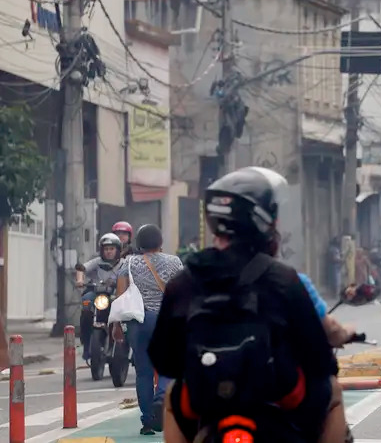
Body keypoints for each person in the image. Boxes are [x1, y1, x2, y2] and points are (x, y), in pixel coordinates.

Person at [149, 167, 347, 443]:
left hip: (208, 400)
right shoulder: (283, 278)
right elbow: (318, 356)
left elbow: (164, 359)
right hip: (278, 396)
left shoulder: (184, 281)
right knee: (333, 392)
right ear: (263, 220)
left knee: (172, 396)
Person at [116, 225, 183, 435]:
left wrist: (117, 325)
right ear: (160, 242)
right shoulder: (174, 262)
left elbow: (120, 296)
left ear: (139, 243)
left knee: (143, 372)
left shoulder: (128, 263)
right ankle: (161, 397)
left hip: (137, 322)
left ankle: (147, 421)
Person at [76, 233, 123, 362]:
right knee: (86, 303)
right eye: (106, 249)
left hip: (116, 295)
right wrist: (80, 280)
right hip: (97, 294)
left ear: (118, 250)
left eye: (111, 249)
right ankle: (86, 343)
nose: (108, 252)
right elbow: (81, 268)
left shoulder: (124, 263)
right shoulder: (97, 262)